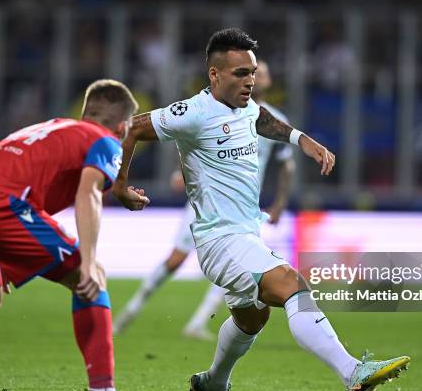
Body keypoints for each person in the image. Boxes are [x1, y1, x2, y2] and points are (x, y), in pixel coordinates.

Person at [114, 28, 410, 391]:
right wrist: (120, 186)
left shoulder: (246, 106)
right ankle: (352, 370)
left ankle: (215, 380)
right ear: (214, 74)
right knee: (291, 283)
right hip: (219, 240)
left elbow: (261, 119)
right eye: (240, 73)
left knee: (251, 318)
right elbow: (133, 127)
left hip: (245, 235)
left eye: (252, 71)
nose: (250, 80)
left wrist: (303, 139)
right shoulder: (193, 113)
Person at [0, 80, 152, 391]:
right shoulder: (106, 140)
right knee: (90, 279)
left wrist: (119, 192)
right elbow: (88, 193)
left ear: (84, 113)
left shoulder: (52, 128)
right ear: (124, 126)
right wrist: (88, 259)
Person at [112, 59, 296, 340]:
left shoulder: (274, 120)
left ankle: (197, 322)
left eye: (260, 73)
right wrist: (180, 170)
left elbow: (287, 164)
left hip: (244, 207)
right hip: (208, 201)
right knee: (175, 260)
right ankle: (130, 311)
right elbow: (189, 136)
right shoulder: (220, 110)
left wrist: (281, 201)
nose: (255, 77)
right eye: (250, 72)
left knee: (238, 264)